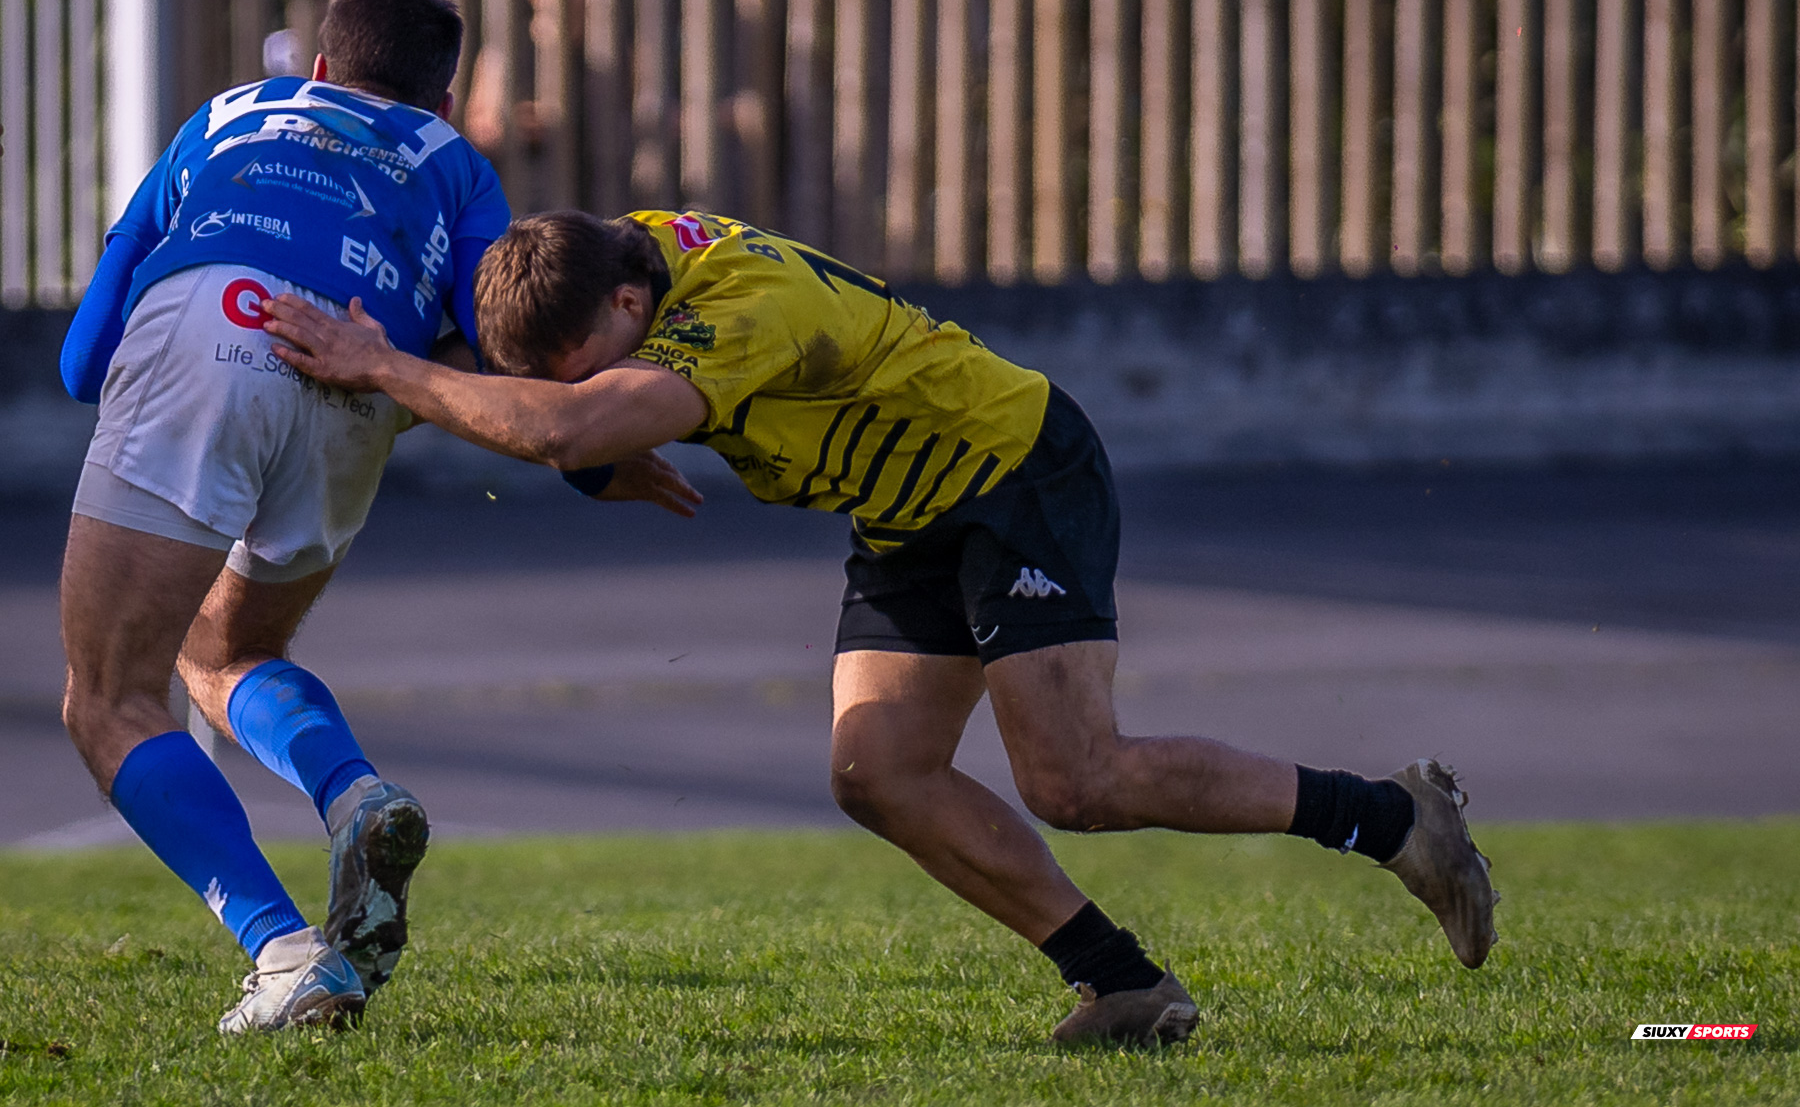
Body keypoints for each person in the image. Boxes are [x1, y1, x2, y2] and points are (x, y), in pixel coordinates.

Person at [262, 208, 1499, 1045]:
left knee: (1077, 778)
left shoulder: (737, 308)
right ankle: (1121, 983)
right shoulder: (601, 266)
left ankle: (1394, 818)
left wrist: (399, 373)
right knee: (877, 771)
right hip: (908, 512)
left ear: (634, 302)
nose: (586, 387)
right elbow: (555, 406)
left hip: (1012, 473)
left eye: (593, 366)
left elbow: (565, 426)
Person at [56, 0, 695, 1034]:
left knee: (109, 698)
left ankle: (283, 952)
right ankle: (354, 794)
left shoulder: (225, 115)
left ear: (318, 68)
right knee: (226, 651)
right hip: (358, 373)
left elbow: (84, 359)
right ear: (442, 98)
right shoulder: (456, 162)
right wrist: (588, 465)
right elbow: (503, 344)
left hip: (208, 323)